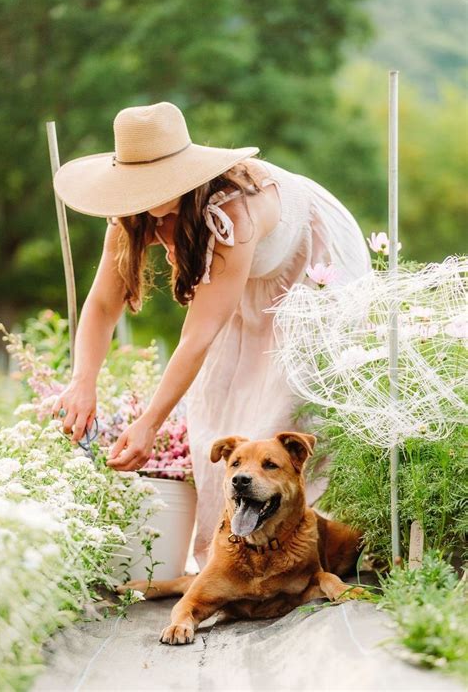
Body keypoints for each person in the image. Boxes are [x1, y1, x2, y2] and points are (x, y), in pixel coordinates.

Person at [52, 101, 371, 569]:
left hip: (310, 272)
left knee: (292, 411)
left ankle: (304, 560)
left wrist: (149, 425)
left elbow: (196, 338)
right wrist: (82, 381)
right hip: (237, 288)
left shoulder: (232, 214)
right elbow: (102, 305)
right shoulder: (131, 216)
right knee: (214, 408)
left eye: (153, 181)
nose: (141, 193)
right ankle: (228, 558)